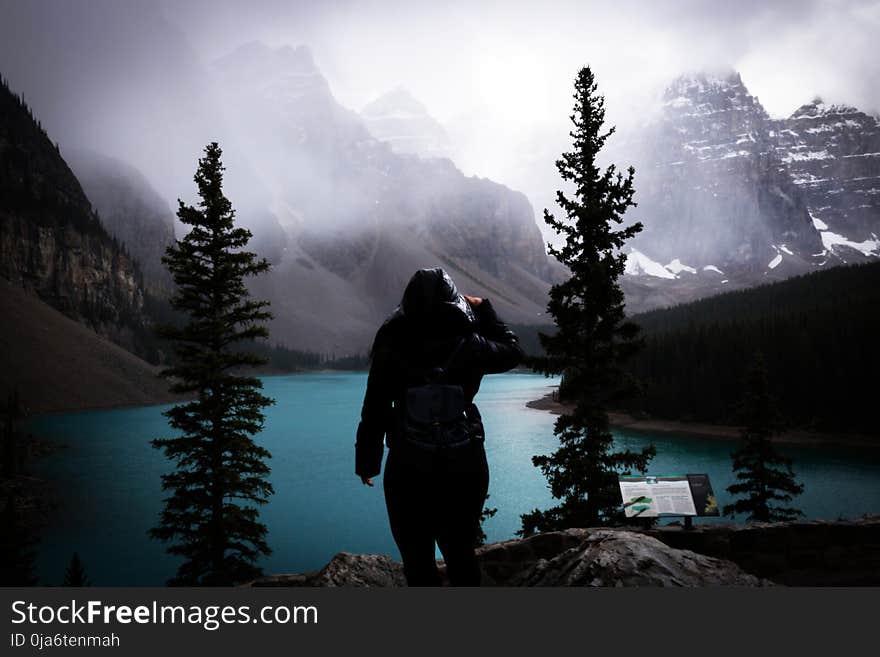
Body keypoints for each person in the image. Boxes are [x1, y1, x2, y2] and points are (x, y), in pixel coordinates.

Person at [355, 268, 523, 586]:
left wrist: (367, 462)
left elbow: (375, 407)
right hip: (465, 461)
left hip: (408, 465)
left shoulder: (391, 343)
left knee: (417, 561)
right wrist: (485, 309)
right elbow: (513, 351)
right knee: (461, 553)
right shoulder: (471, 343)